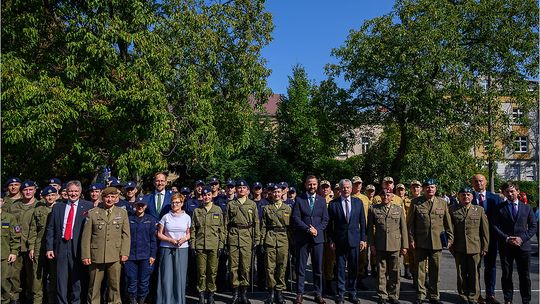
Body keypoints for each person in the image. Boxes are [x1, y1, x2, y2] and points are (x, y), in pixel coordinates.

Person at [46, 180, 94, 304]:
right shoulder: (58, 207)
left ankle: (76, 302)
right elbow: (51, 228)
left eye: (76, 191)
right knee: (60, 280)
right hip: (61, 246)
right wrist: (49, 248)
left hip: (78, 246)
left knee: (76, 280)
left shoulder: (88, 206)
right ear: (66, 192)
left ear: (80, 192)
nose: (73, 194)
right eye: (71, 191)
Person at [81, 187, 131, 304]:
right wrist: (85, 255)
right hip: (96, 255)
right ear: (102, 198)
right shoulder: (93, 213)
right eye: (107, 197)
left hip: (115, 255)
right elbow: (86, 236)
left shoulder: (122, 213)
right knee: (94, 286)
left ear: (116, 198)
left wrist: (124, 253)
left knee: (115, 286)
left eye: (112, 197)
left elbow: (126, 235)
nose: (109, 199)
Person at [408, 179, 453, 304]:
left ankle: (434, 295)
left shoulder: (442, 203)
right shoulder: (416, 202)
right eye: (427, 187)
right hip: (420, 241)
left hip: (437, 242)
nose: (430, 189)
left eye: (432, 187)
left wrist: (450, 239)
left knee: (435, 270)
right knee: (420, 270)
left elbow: (448, 223)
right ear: (423, 189)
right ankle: (421, 295)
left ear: (436, 188)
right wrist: (411, 239)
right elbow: (410, 224)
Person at [493, 182, 536, 304]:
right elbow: (495, 226)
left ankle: (526, 300)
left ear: (517, 191)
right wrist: (507, 238)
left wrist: (521, 239)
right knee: (506, 274)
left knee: (525, 276)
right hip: (506, 246)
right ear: (504, 193)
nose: (510, 194)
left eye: (512, 191)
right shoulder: (499, 208)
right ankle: (508, 299)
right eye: (507, 192)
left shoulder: (527, 208)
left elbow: (533, 227)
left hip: (523, 247)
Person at [327, 179, 366, 304]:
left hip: (355, 240)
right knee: (340, 268)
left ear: (351, 188)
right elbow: (329, 225)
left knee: (353, 268)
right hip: (340, 241)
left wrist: (363, 239)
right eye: (343, 187)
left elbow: (363, 223)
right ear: (339, 189)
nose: (346, 189)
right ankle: (341, 294)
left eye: (348, 187)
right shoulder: (333, 204)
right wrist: (331, 240)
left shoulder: (358, 202)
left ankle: (352, 293)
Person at [449, 187, 489, 304]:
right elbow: (449, 229)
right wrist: (450, 244)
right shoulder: (452, 209)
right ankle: (463, 295)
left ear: (472, 197)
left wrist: (485, 247)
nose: (466, 197)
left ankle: (473, 296)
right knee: (461, 273)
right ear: (458, 196)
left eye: (468, 195)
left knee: (474, 273)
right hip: (459, 246)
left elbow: (485, 231)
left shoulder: (479, 210)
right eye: (463, 195)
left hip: (475, 246)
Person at [292, 175, 328, 304]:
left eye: (314, 184)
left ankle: (318, 294)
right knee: (300, 268)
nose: (312, 186)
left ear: (317, 185)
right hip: (303, 238)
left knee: (318, 269)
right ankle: (299, 294)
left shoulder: (322, 200)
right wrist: (308, 229)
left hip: (318, 239)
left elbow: (325, 219)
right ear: (305, 185)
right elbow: (296, 218)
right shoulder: (299, 199)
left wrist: (316, 230)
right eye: (309, 184)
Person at [367, 191, 408, 304]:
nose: (386, 197)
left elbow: (403, 228)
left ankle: (393, 295)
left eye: (388, 195)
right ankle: (382, 294)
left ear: (392, 197)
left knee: (395, 271)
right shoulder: (374, 209)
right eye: (383, 195)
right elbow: (370, 229)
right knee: (381, 271)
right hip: (380, 244)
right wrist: (372, 244)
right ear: (380, 196)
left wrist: (405, 246)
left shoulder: (398, 209)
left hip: (395, 245)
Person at [225, 180, 260, 304]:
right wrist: (225, 240)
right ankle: (235, 294)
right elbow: (226, 223)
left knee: (245, 266)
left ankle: (244, 294)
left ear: (247, 190)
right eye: (239, 188)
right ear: (236, 190)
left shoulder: (252, 204)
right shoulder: (231, 204)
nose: (241, 190)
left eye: (243, 187)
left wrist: (257, 239)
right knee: (233, 267)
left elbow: (256, 222)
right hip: (233, 236)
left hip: (247, 237)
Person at [191, 187, 225, 304]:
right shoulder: (197, 211)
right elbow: (193, 230)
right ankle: (201, 294)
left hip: (214, 245)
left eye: (209, 195)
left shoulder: (218, 209)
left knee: (212, 271)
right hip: (200, 245)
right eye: (204, 195)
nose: (206, 197)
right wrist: (193, 245)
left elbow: (222, 229)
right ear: (202, 196)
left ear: (212, 196)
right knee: (201, 272)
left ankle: (211, 295)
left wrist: (221, 244)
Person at [471, 174, 501, 304]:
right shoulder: (468, 197)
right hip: (473, 239)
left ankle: (490, 294)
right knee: (474, 267)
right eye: (476, 181)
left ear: (486, 182)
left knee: (491, 267)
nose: (479, 183)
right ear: (472, 184)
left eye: (481, 181)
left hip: (492, 239)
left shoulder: (495, 199)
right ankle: (476, 294)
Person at [156, 193, 191, 304]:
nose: (174, 204)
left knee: (179, 276)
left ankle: (179, 301)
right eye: (173, 202)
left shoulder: (187, 217)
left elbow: (189, 234)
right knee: (166, 276)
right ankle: (165, 300)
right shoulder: (166, 217)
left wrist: (183, 239)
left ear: (182, 203)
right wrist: (170, 240)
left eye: (177, 202)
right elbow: (159, 234)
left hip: (182, 249)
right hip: (166, 248)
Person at [8, 180, 38, 303]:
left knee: (32, 275)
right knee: (14, 274)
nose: (28, 192)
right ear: (22, 191)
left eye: (30, 189)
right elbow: (8, 224)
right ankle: (15, 298)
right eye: (25, 190)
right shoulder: (14, 206)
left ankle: (31, 297)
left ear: (35, 190)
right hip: (16, 245)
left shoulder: (40, 205)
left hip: (32, 247)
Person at [260, 185, 291, 304]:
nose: (277, 194)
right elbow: (263, 226)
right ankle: (271, 292)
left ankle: (279, 292)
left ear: (282, 193)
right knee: (270, 267)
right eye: (275, 192)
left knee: (282, 266)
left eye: (278, 192)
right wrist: (262, 241)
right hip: (270, 238)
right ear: (271, 194)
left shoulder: (287, 208)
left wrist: (292, 242)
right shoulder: (267, 208)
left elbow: (291, 228)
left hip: (283, 239)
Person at [27, 186, 59, 304]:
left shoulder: (60, 209)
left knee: (54, 277)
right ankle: (37, 301)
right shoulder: (38, 210)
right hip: (39, 246)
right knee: (37, 277)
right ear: (44, 197)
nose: (50, 197)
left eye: (52, 195)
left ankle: (52, 300)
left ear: (56, 196)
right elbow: (33, 231)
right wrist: (31, 247)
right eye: (48, 195)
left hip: (55, 247)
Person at [125, 197, 157, 304]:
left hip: (145, 255)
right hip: (131, 256)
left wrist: (153, 255)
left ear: (146, 206)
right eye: (138, 204)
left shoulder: (150, 220)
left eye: (142, 205)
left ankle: (142, 300)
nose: (140, 207)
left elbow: (153, 240)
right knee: (131, 281)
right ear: (135, 205)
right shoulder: (129, 219)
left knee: (144, 281)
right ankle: (133, 300)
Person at [1, 198, 22, 304]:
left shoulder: (10, 218)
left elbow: (16, 237)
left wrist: (14, 252)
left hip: (3, 256)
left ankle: (5, 301)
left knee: (4, 281)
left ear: (2, 202)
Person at [351, 176, 370, 289]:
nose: (358, 185)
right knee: (351, 257)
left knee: (362, 257)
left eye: (359, 183)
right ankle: (351, 278)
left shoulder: (365, 198)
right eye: (355, 184)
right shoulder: (348, 197)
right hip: (352, 231)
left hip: (363, 231)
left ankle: (360, 279)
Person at [252, 182, 269, 291]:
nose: (257, 190)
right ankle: (249, 283)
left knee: (262, 261)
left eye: (259, 188)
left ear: (262, 190)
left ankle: (262, 284)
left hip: (263, 235)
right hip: (251, 235)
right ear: (253, 190)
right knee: (249, 261)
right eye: (255, 188)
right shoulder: (249, 203)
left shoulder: (266, 203)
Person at [395, 183, 413, 280]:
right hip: (397, 228)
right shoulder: (393, 200)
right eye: (399, 190)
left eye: (402, 190)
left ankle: (407, 269)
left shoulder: (409, 201)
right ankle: (396, 271)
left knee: (407, 250)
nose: (400, 192)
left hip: (406, 227)